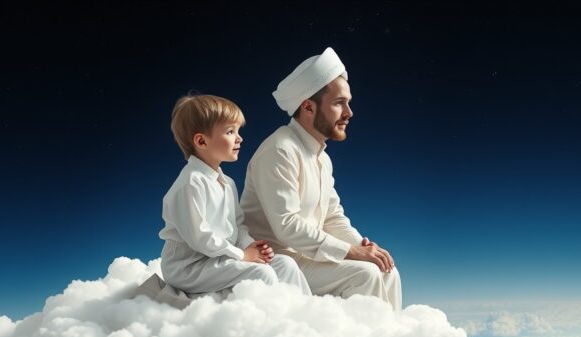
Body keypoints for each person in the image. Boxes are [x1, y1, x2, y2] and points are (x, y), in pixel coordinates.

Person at [241, 48, 402, 310]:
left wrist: (363, 246)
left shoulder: (322, 158)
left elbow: (332, 217)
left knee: (387, 271)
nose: (349, 113)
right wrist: (352, 252)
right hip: (277, 260)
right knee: (366, 275)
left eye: (348, 103)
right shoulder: (279, 150)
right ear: (308, 106)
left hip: (308, 257)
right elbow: (287, 226)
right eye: (339, 103)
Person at [158, 93, 311, 298]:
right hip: (189, 267)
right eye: (230, 131)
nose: (239, 138)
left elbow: (237, 225)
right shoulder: (190, 184)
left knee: (286, 264)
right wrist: (242, 255)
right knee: (261, 273)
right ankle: (270, 316)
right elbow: (200, 238)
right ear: (201, 141)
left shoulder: (227, 183)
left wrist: (249, 245)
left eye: (238, 131)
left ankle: (305, 311)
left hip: (218, 258)